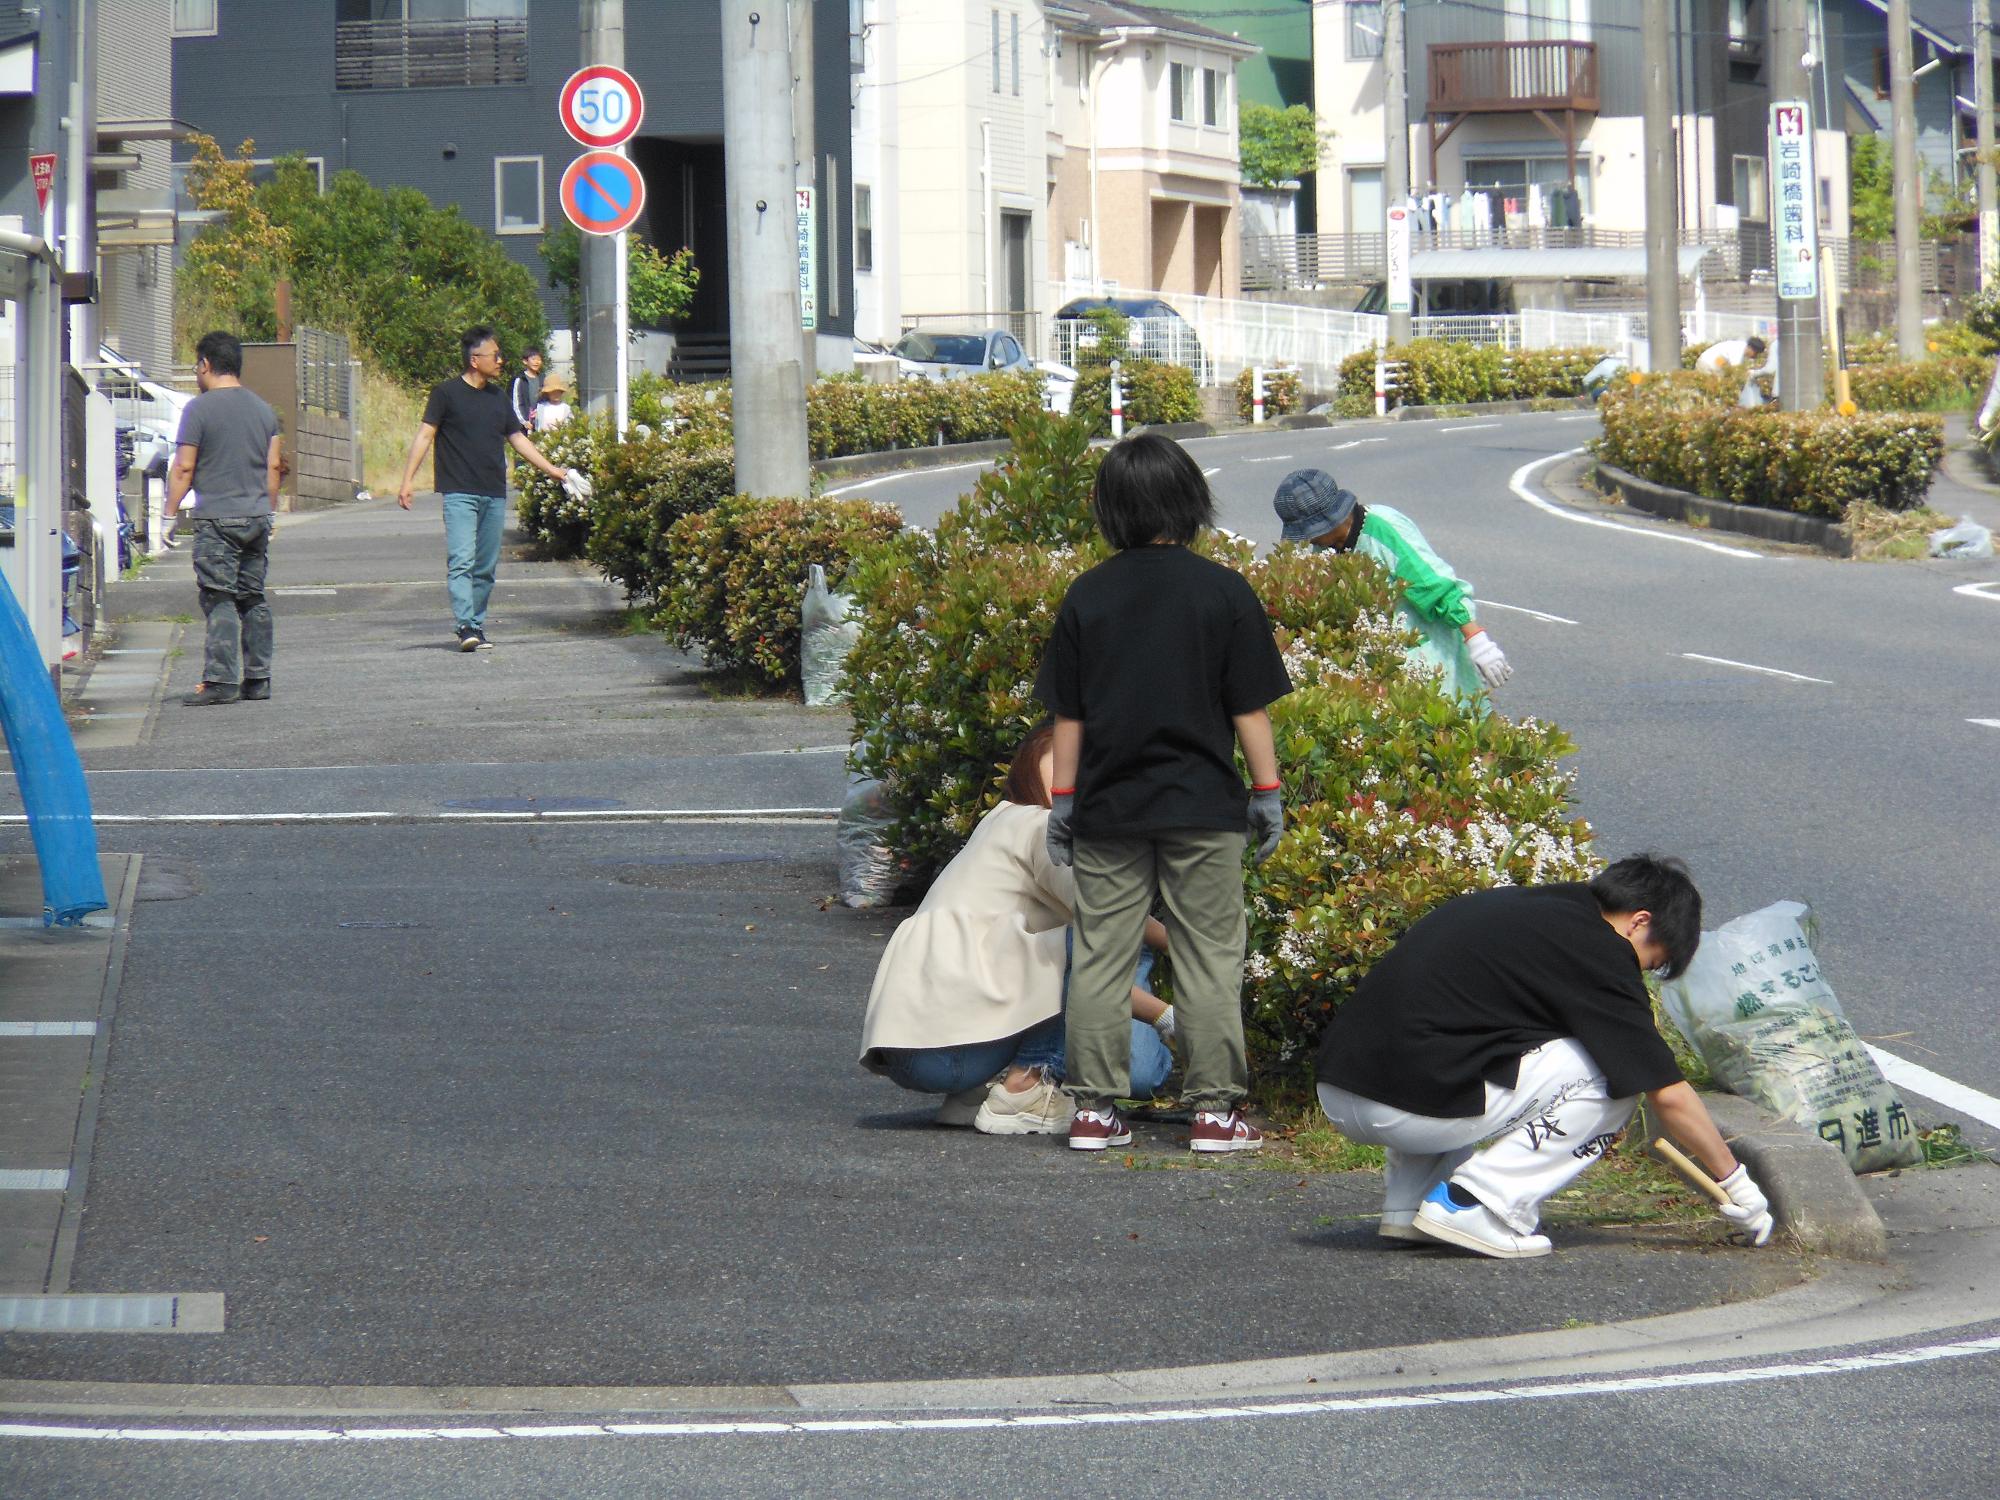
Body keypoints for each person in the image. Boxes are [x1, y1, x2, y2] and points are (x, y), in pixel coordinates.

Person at [1315, 855, 1777, 1260]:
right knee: (1616, 1082)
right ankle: (1476, 1204)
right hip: (1406, 1106)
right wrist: (1736, 1184)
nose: (1641, 973)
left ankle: (1409, 1206)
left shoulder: (1526, 907)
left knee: (1464, 1046)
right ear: (1638, 922)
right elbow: (1667, 1093)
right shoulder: (1601, 950)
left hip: (1340, 1088)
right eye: (1651, 960)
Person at [1036, 432, 1293, 1154]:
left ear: (1110, 509)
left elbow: (1070, 714)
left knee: (1101, 954)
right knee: (1210, 954)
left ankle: (1092, 1110)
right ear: (1190, 501)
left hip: (1110, 807)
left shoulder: (1088, 594)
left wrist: (1063, 801)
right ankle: (1214, 1113)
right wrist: (1267, 791)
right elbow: (1249, 709)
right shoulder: (1223, 591)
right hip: (1203, 808)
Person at [858, 725, 1180, 1135]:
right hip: (954, 1052)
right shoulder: (1044, 826)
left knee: (1059, 940)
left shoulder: (998, 821)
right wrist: (1171, 1011)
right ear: (1031, 770)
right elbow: (1106, 924)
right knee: (1085, 942)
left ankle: (976, 1090)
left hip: (916, 1053)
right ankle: (1028, 1085)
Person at [395, 326, 591, 651]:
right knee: (461, 560)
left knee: (485, 567)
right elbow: (425, 435)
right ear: (475, 359)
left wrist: (557, 472)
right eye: (495, 355)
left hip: (493, 492)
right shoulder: (445, 394)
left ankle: (477, 624)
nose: (500, 360)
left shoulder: (497, 397)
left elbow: (517, 439)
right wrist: (407, 481)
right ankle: (465, 626)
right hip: (459, 492)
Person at [1272, 468, 1510, 705]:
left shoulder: (1381, 530)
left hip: (1428, 655)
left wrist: (1477, 640)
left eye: (1311, 532)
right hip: (1380, 665)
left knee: (1446, 724)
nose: (1309, 539)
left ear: (1332, 521)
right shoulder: (1325, 550)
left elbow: (1434, 587)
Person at [165, 330, 283, 708]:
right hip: (256, 515)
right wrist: (270, 509)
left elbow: (184, 467)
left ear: (205, 365)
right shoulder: (264, 410)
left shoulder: (198, 410)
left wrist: (169, 514)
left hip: (218, 519)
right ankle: (258, 678)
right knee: (253, 597)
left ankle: (221, 679)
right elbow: (274, 467)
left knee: (219, 598)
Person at [1693, 334, 1766, 376]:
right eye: (1756, 353)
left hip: (1711, 364)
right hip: (1707, 364)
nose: (1755, 357)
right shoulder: (1738, 349)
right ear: (1750, 348)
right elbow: (1735, 370)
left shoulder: (1741, 348)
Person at [509, 345, 545, 430]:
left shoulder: (543, 378)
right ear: (525, 361)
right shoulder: (520, 379)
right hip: (523, 424)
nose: (537, 362)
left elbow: (545, 400)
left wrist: (540, 412)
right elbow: (516, 403)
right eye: (533, 359)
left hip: (540, 422)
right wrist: (524, 421)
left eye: (539, 359)